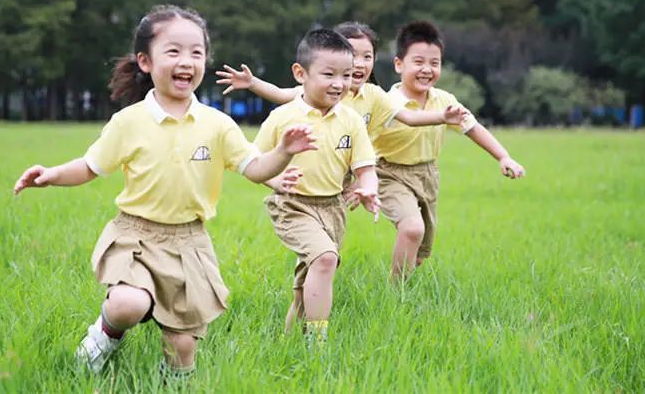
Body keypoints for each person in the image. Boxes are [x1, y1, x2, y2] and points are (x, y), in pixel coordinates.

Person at [13, 5, 317, 379]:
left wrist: (283, 152)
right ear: (145, 61)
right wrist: (51, 174)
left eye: (196, 52)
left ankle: (168, 384)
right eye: (173, 51)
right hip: (136, 234)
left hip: (189, 242)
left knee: (182, 349)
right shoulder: (129, 122)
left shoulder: (218, 124)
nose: (186, 61)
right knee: (127, 303)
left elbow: (256, 169)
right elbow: (90, 166)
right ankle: (103, 337)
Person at [253, 28, 379, 345]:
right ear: (301, 73)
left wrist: (368, 188)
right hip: (292, 204)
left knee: (309, 279)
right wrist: (275, 179)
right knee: (324, 259)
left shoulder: (350, 120)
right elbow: (253, 163)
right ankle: (317, 345)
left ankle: (288, 337)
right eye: (329, 74)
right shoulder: (282, 117)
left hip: (332, 208)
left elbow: (365, 166)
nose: (339, 83)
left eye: (347, 75)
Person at [375, 21, 525, 281]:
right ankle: (394, 294)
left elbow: (473, 128)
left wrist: (504, 156)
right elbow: (361, 138)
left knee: (420, 252)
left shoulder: (445, 100)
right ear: (399, 64)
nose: (427, 69)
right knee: (412, 229)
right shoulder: (386, 103)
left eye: (434, 63)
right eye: (419, 62)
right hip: (390, 174)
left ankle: (405, 282)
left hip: (428, 175)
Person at [215, 21, 469, 137]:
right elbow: (282, 94)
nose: (359, 64)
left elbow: (411, 118)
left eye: (366, 56)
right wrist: (252, 83)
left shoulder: (374, 95)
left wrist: (442, 117)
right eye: (352, 56)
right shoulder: (319, 91)